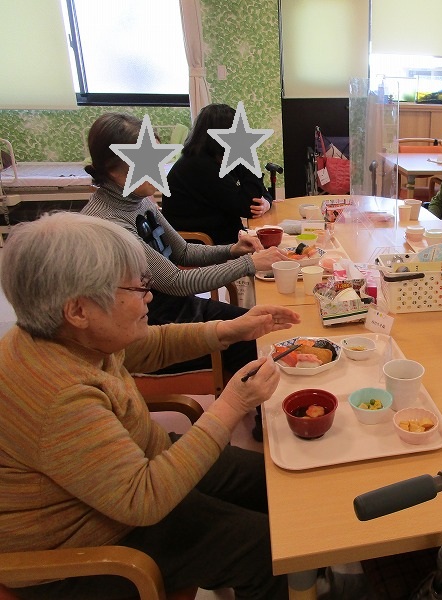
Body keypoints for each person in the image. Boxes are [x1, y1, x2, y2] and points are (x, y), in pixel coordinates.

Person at [0, 212, 301, 599]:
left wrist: (231, 328)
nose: (149, 297)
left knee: (276, 483)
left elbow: (147, 345)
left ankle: (311, 576)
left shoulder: (67, 335)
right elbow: (143, 500)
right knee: (266, 551)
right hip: (87, 547)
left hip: (130, 476)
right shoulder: (58, 394)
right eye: (136, 288)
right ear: (78, 310)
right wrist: (233, 404)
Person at [82, 112, 288, 441]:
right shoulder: (110, 224)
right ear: (114, 170)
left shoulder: (139, 201)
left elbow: (183, 252)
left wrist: (234, 250)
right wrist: (250, 263)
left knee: (257, 325)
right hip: (147, 328)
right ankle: (267, 427)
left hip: (172, 308)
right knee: (253, 339)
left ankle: (259, 410)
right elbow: (177, 282)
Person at [163, 103, 273, 245]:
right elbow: (248, 207)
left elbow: (259, 193)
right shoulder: (199, 165)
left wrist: (266, 203)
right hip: (205, 243)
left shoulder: (215, 157)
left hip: (223, 234)